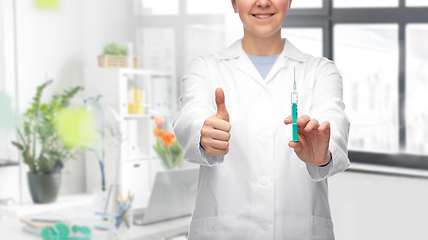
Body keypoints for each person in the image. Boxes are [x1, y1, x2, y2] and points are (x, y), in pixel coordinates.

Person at [172, 0, 350, 239]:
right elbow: (189, 116)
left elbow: (334, 123)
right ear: (234, 4)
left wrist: (322, 154)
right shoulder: (205, 67)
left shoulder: (320, 70)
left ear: (289, 2)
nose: (263, 2)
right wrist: (203, 133)